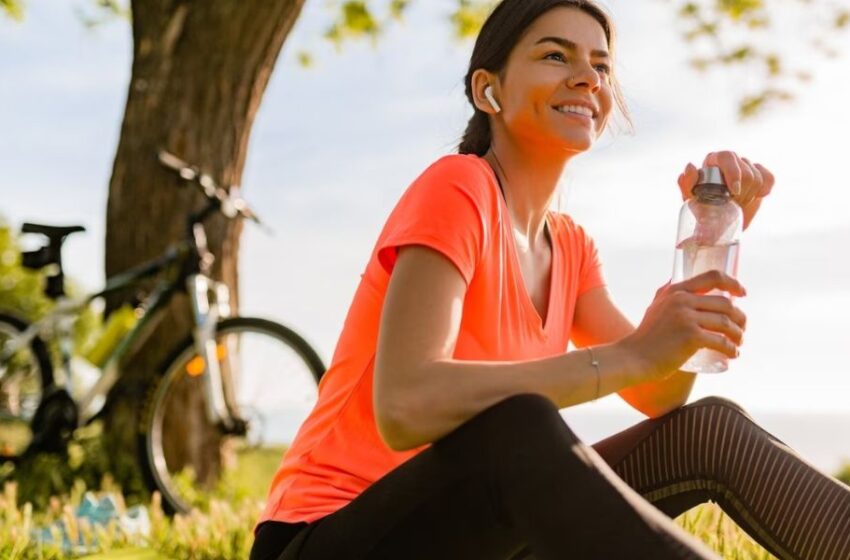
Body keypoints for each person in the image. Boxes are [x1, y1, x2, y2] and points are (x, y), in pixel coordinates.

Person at [250, 1, 850, 558]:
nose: (587, 77)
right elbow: (406, 404)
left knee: (708, 430)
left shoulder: (570, 245)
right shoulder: (459, 187)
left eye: (601, 65)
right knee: (520, 422)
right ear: (488, 91)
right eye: (555, 55)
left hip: (480, 532)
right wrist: (634, 352)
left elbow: (660, 392)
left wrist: (712, 242)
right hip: (326, 536)